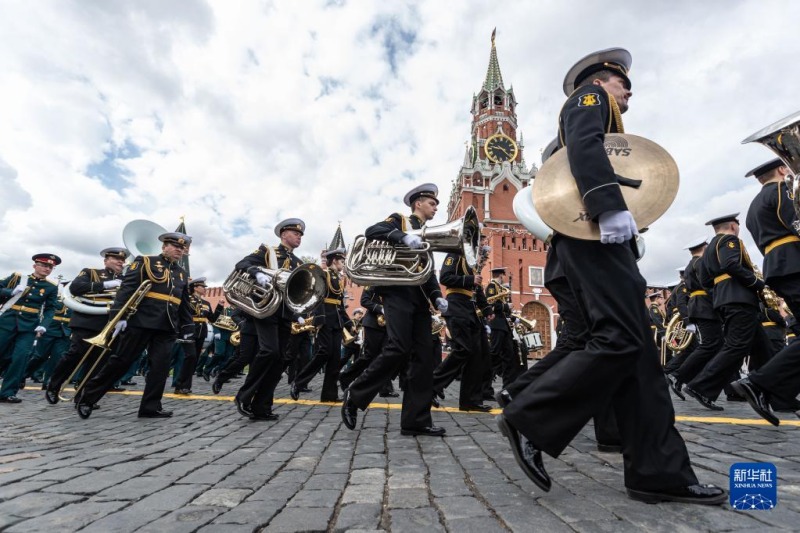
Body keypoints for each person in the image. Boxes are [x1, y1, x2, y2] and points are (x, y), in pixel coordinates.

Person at [497, 48, 724, 505]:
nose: (629, 94)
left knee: (639, 360)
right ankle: (529, 416)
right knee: (620, 339)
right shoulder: (589, 99)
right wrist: (608, 206)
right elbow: (584, 146)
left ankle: (657, 473)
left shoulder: (594, 114)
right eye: (626, 86)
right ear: (604, 80)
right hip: (593, 238)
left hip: (584, 242)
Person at [341, 183, 448, 437]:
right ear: (418, 203)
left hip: (419, 298)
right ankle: (355, 397)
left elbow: (428, 272)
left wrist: (437, 296)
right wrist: (402, 237)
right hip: (397, 292)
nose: (435, 208)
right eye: (432, 203)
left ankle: (416, 421)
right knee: (398, 347)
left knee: (422, 360)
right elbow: (372, 230)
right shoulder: (400, 221)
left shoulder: (426, 233)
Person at [74, 233, 194, 419]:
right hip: (141, 321)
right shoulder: (146, 261)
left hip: (168, 324)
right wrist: (118, 316)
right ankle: (88, 397)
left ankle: (150, 407)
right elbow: (127, 289)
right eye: (175, 246)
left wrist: (187, 325)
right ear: (164, 247)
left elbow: (183, 302)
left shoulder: (181, 273)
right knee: (121, 361)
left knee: (160, 367)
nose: (179, 249)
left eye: (182, 247)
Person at [730, 158, 800, 423]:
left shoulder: (753, 206)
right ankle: (757, 383)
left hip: (778, 266)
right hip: (794, 262)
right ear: (783, 170)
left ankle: (781, 395)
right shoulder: (783, 190)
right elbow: (795, 222)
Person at [684, 214, 770, 411]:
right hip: (740, 298)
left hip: (725, 299)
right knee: (737, 346)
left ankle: (776, 392)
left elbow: (706, 281)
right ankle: (700, 386)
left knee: (763, 349)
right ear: (733, 225)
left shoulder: (706, 253)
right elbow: (731, 265)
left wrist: (722, 292)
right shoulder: (730, 240)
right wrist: (756, 283)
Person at [234, 218, 306, 421]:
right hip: (266, 308)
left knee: (279, 359)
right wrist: (257, 272)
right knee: (269, 351)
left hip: (285, 313)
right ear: (284, 235)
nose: (299, 237)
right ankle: (244, 395)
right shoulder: (268, 252)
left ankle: (262, 406)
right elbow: (243, 264)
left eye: (300, 235)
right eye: (296, 233)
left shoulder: (298, 263)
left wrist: (299, 313)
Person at [45, 247, 127, 404]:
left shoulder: (125, 279)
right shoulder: (91, 272)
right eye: (116, 259)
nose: (120, 262)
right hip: (87, 320)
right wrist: (107, 284)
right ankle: (54, 385)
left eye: (122, 260)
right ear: (106, 261)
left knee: (97, 362)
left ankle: (82, 396)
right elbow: (76, 288)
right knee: (75, 354)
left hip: (109, 322)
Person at [432, 248, 492, 411]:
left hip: (469, 309)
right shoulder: (454, 255)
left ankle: (470, 401)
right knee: (463, 349)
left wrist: (486, 309)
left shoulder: (471, 263)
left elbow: (476, 288)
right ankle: (433, 384)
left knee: (477, 356)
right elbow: (445, 277)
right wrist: (470, 279)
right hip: (456, 305)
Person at [291, 248, 354, 402]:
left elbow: (339, 304)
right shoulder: (323, 274)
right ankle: (298, 383)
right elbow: (317, 297)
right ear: (334, 261)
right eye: (342, 261)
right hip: (325, 318)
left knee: (335, 358)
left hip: (337, 321)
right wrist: (319, 319)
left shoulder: (339, 279)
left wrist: (348, 323)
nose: (343, 264)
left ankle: (329, 395)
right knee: (324, 352)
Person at [0, 254, 61, 403]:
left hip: (29, 325)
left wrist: (44, 324)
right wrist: (11, 292)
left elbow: (50, 308)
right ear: (35, 265)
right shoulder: (17, 278)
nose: (47, 269)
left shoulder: (51, 287)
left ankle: (7, 392)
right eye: (44, 265)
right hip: (7, 321)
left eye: (50, 267)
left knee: (20, 358)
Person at [666, 239, 722, 400]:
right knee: (710, 345)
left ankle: (693, 382)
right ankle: (679, 376)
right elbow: (708, 286)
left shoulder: (692, 264)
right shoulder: (700, 263)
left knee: (715, 346)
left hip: (700, 308)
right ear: (704, 248)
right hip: (705, 307)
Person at [339, 287, 398, 397]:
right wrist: (381, 309)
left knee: (385, 356)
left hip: (386, 325)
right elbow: (364, 300)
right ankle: (345, 377)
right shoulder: (371, 283)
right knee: (369, 356)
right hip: (373, 324)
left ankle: (385, 388)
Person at [486, 267, 524, 388]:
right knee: (494, 353)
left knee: (509, 356)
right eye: (503, 276)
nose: (504, 279)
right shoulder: (492, 286)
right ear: (500, 276)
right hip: (496, 324)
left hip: (504, 326)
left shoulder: (501, 288)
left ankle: (508, 387)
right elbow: (490, 304)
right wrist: (506, 306)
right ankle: (485, 384)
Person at [173, 277, 212, 394]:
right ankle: (179, 384)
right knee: (189, 357)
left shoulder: (206, 303)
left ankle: (185, 386)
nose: (205, 289)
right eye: (202, 287)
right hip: (189, 330)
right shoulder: (187, 299)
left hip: (201, 332)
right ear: (195, 287)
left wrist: (220, 307)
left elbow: (212, 319)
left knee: (193, 360)